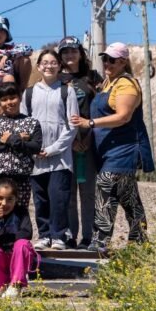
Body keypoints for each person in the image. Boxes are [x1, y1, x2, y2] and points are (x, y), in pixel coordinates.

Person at [70, 42, 154, 253]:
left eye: (112, 60)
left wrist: (89, 123)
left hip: (124, 149)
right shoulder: (108, 83)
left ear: (123, 61)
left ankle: (99, 242)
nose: (107, 63)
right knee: (128, 197)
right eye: (105, 58)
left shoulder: (126, 84)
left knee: (106, 185)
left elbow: (123, 117)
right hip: (108, 150)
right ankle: (140, 243)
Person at [21, 49, 79, 251]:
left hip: (60, 158)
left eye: (53, 62)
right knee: (40, 199)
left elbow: (73, 126)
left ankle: (59, 236)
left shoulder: (66, 91)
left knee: (59, 198)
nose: (49, 66)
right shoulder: (28, 93)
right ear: (38, 66)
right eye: (44, 62)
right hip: (36, 159)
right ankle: (44, 235)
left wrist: (53, 149)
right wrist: (32, 148)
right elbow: (23, 125)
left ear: (59, 66)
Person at [58, 36, 102, 248]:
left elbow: (102, 108)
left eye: (73, 51)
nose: (69, 55)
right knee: (68, 192)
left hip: (89, 142)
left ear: (81, 53)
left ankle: (88, 236)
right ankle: (69, 235)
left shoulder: (92, 77)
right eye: (65, 51)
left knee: (88, 192)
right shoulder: (56, 79)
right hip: (66, 144)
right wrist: (71, 139)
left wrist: (88, 135)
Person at [0, 82, 43, 209]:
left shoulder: (31, 122)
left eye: (12, 98)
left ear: (19, 98)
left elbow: (35, 147)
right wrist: (19, 138)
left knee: (20, 216)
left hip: (21, 178)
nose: (9, 102)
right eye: (4, 99)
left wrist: (10, 139)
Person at [0, 178, 36, 299]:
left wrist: (8, 241)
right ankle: (0, 285)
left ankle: (16, 284)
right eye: (0, 198)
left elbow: (27, 233)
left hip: (16, 256)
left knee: (23, 244)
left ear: (16, 200)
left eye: (10, 199)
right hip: (0, 257)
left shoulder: (21, 213)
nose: (4, 203)